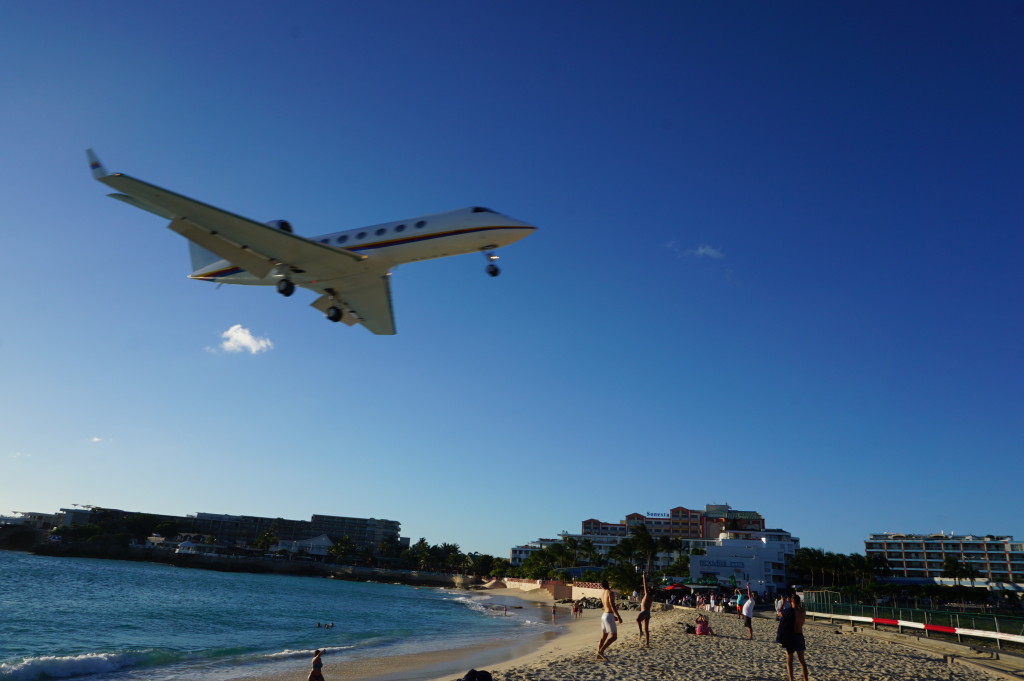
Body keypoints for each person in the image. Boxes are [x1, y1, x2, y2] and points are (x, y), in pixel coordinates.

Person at [776, 594, 809, 681]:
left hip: (791, 637)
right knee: (802, 661)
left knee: (789, 661)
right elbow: (799, 608)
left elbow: (779, 613)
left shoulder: (789, 611)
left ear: (792, 602)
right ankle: (806, 679)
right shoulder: (802, 611)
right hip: (800, 636)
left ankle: (791, 679)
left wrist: (783, 603)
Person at [596, 579, 622, 661]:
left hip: (604, 615)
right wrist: (618, 616)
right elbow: (612, 604)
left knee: (604, 636)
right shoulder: (610, 592)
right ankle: (601, 651)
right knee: (614, 637)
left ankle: (599, 654)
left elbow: (606, 605)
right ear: (608, 584)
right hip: (608, 615)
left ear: (601, 586)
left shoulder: (602, 593)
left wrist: (612, 615)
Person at [636, 571, 654, 647]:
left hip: (645, 611)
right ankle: (647, 643)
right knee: (646, 629)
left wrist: (644, 576)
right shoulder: (650, 597)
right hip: (648, 613)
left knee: (637, 620)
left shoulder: (647, 595)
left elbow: (644, 585)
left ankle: (640, 632)